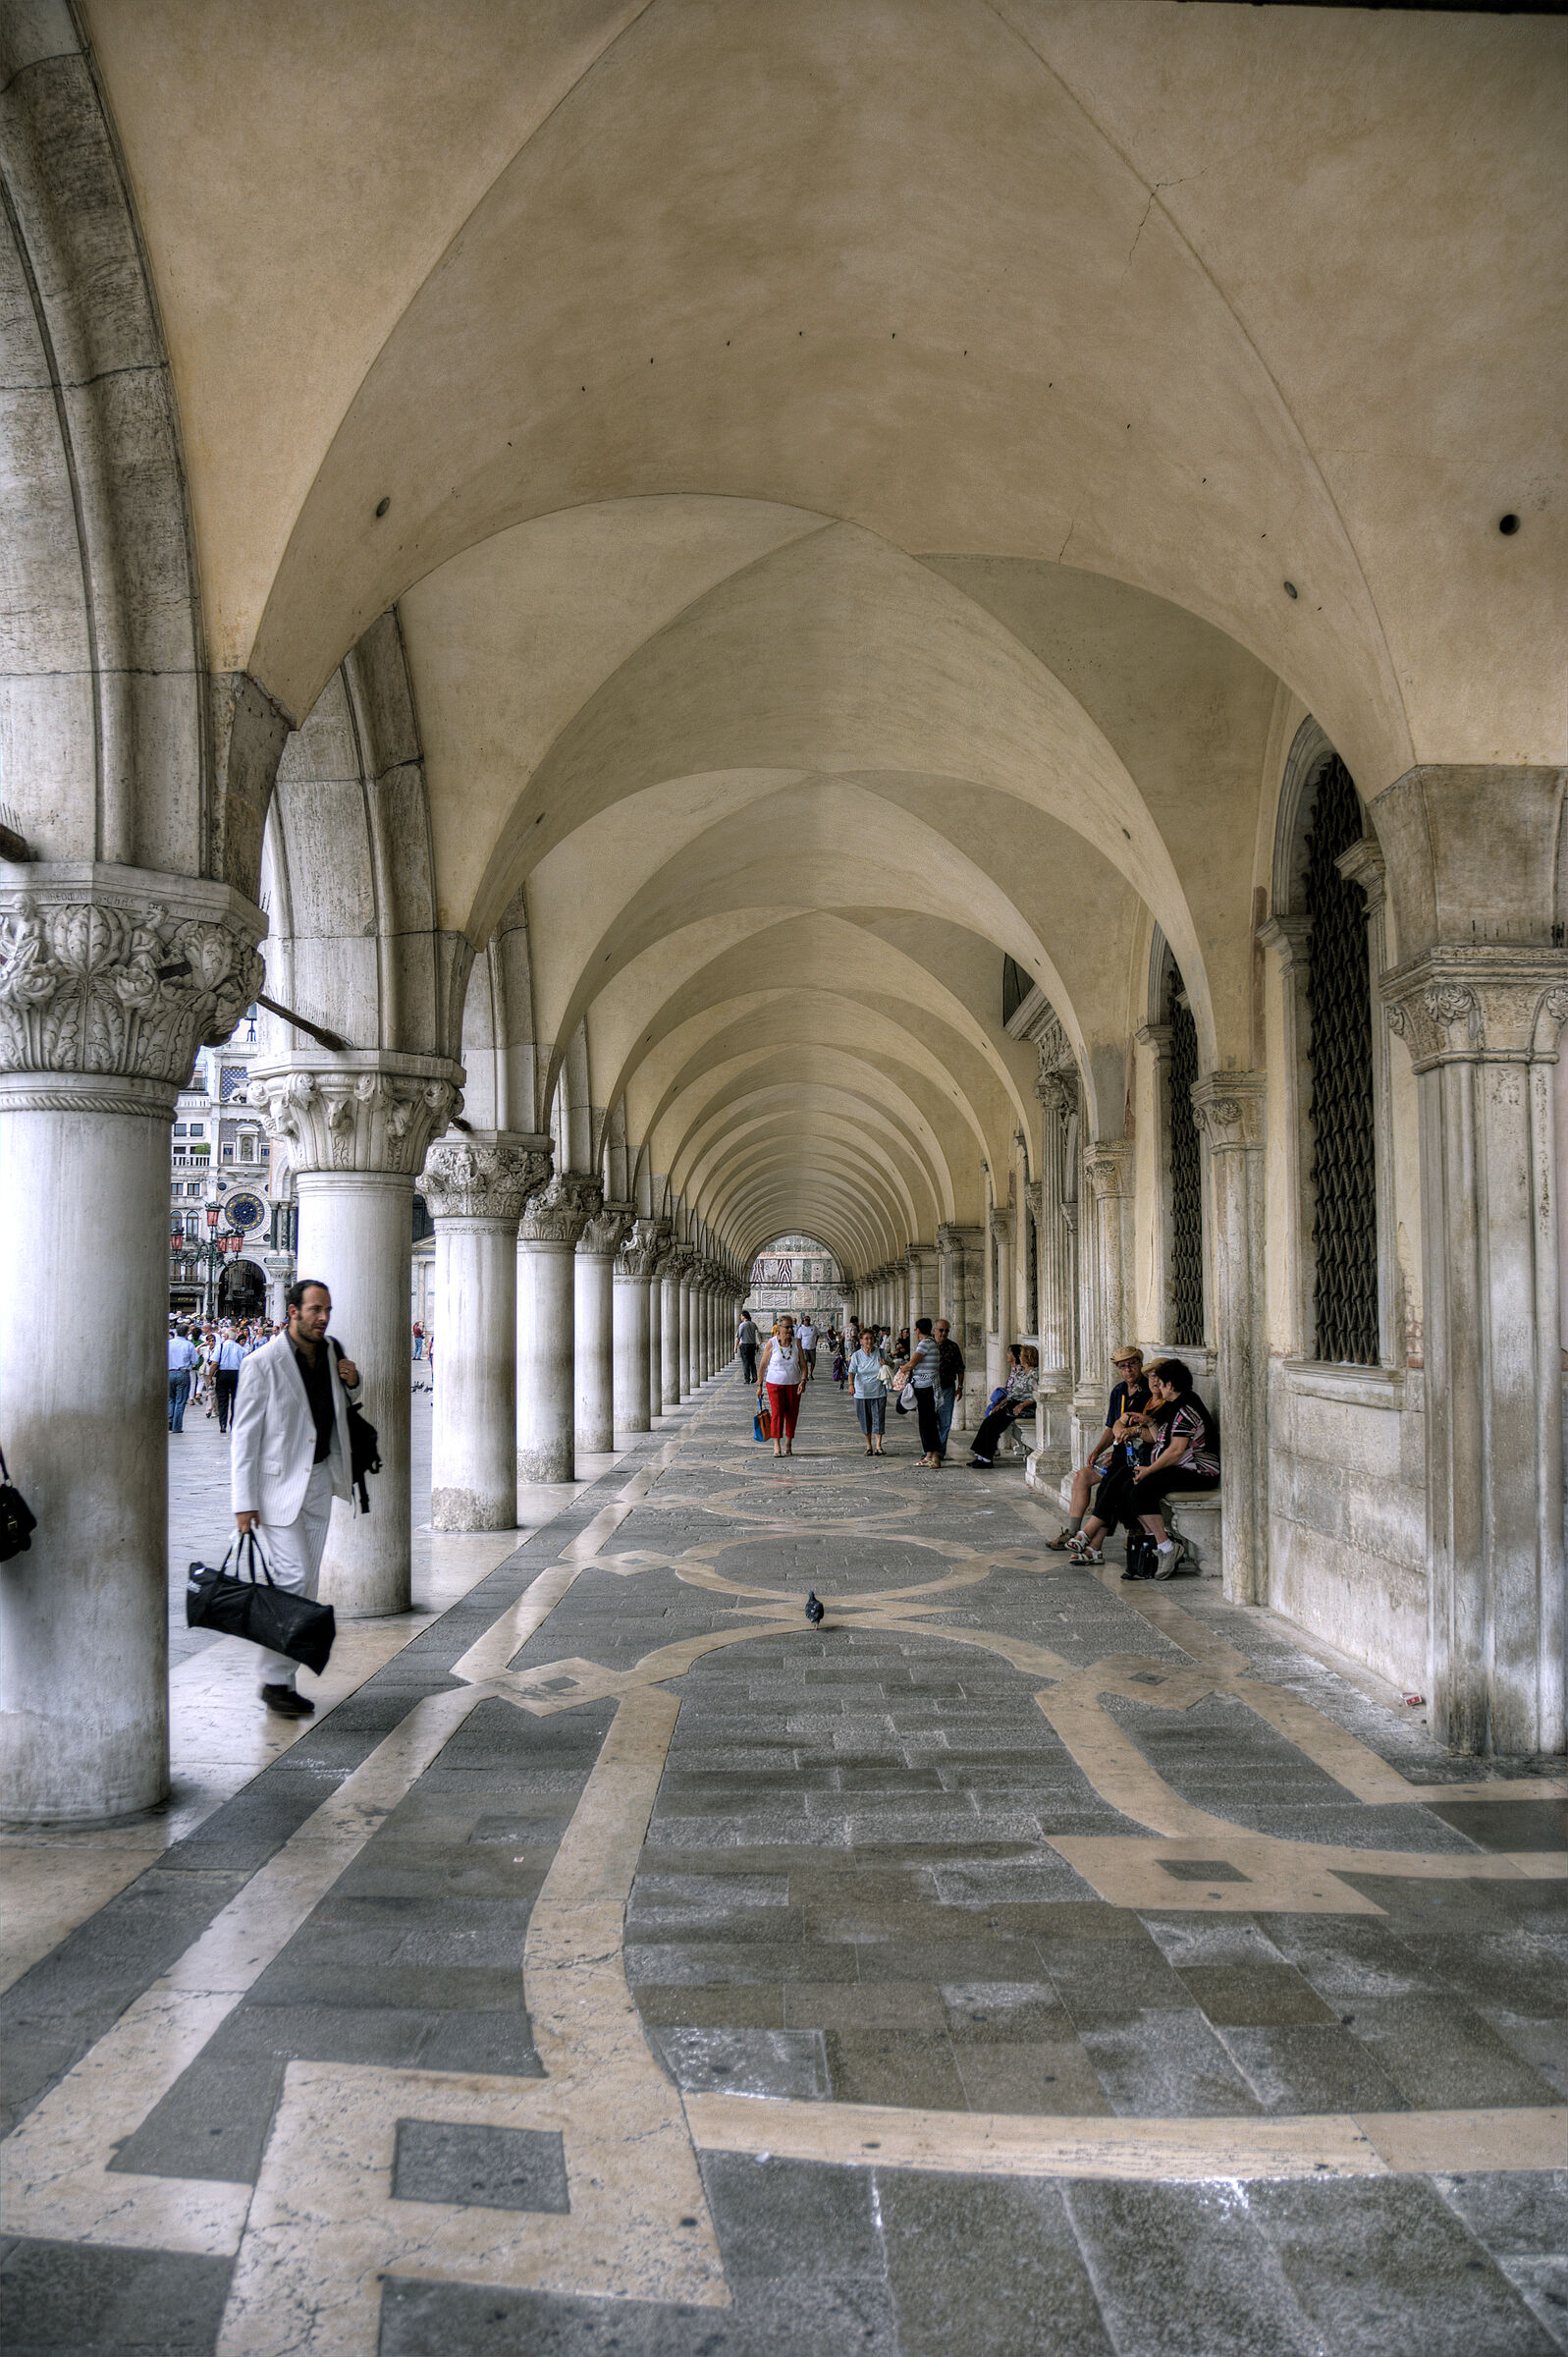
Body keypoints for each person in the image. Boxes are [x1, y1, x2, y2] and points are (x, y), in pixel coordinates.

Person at [230, 1279, 362, 1716]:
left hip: (320, 1480)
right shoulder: (261, 1362)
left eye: (327, 1310)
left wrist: (354, 1380)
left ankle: (279, 1679)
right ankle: (274, 1680)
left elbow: (340, 1406)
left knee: (304, 1583)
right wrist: (243, 1501)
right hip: (276, 1488)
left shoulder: (328, 1353)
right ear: (293, 1312)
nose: (324, 1317)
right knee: (290, 1581)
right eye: (315, 1310)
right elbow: (244, 1438)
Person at [1066, 1358, 1219, 1576]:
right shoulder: (1176, 1404)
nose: (1156, 1384)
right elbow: (1161, 1440)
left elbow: (1176, 1451)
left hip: (1198, 1471)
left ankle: (1166, 1547)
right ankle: (1156, 1545)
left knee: (1140, 1488)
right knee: (1128, 1487)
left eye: (1160, 1380)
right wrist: (1149, 1423)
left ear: (1170, 1384)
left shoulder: (1185, 1408)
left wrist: (1150, 1469)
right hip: (1180, 1466)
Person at [1047, 1346, 1151, 1549]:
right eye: (1123, 1366)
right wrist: (1097, 1451)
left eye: (1132, 1364)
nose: (1128, 1370)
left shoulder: (1148, 1391)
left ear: (1140, 1364)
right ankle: (1072, 1531)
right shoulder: (1119, 1391)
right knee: (1081, 1476)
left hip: (1136, 1458)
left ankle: (1110, 1537)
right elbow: (1112, 1427)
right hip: (1119, 1454)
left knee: (1111, 1485)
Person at [966, 1345, 1040, 1466]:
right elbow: (1012, 1393)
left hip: (1023, 1406)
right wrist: (1000, 1404)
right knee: (988, 1421)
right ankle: (980, 1456)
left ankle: (987, 1460)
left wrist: (1022, 1405)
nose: (1019, 1357)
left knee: (993, 1425)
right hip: (1012, 1403)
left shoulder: (1034, 1374)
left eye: (1021, 1355)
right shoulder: (1021, 1372)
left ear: (1027, 1357)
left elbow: (1036, 1395)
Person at [756, 1313, 806, 1457]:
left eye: (792, 1327)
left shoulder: (797, 1343)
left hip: (794, 1384)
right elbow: (763, 1366)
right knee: (777, 1414)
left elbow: (803, 1365)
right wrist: (759, 1386)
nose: (790, 1330)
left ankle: (788, 1443)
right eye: (787, 1327)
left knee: (792, 1414)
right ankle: (776, 1444)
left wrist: (803, 1380)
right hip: (774, 1384)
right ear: (779, 1327)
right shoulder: (772, 1343)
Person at [895, 1316, 943, 1467]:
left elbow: (913, 1362)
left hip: (925, 1387)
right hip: (926, 1385)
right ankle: (929, 1454)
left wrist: (903, 1369)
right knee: (925, 1422)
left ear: (918, 1330)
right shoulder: (932, 1343)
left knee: (928, 1422)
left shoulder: (924, 1344)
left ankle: (934, 1456)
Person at [848, 1331, 889, 1453]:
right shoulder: (856, 1355)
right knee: (864, 1419)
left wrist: (886, 1363)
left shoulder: (881, 1353)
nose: (869, 1341)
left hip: (878, 1391)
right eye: (866, 1339)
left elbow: (892, 1364)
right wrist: (851, 1385)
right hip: (862, 1392)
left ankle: (878, 1446)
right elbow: (851, 1371)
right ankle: (868, 1446)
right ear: (861, 1341)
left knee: (879, 1418)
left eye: (871, 1338)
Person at [934, 1318, 965, 1462]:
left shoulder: (952, 1346)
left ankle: (939, 1452)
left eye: (946, 1331)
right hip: (930, 1388)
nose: (944, 1333)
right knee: (929, 1421)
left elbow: (960, 1368)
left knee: (945, 1421)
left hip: (947, 1387)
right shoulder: (927, 1345)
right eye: (941, 1330)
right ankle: (928, 1450)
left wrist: (960, 1387)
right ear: (935, 1330)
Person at [212, 1324, 246, 1433]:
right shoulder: (240, 1349)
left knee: (222, 1400)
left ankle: (222, 1423)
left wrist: (210, 1376)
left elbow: (214, 1363)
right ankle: (233, 1423)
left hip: (223, 1374)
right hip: (236, 1374)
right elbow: (245, 1365)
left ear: (226, 1336)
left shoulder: (220, 1347)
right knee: (236, 1400)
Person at [167, 1325, 198, 1433]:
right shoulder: (188, 1345)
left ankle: (169, 1422)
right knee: (180, 1401)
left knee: (171, 1399)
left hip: (169, 1372)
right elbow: (195, 1361)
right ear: (186, 1333)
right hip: (182, 1373)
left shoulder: (169, 1343)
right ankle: (177, 1426)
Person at [736, 1308, 760, 1385]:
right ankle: (754, 1376)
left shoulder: (742, 1325)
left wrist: (735, 1347)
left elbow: (738, 1336)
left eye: (741, 1315)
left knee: (745, 1362)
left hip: (745, 1345)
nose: (740, 1317)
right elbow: (757, 1333)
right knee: (752, 1362)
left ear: (743, 1316)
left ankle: (747, 1379)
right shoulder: (753, 1324)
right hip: (752, 1345)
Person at [797, 1314, 818, 1380]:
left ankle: (810, 1373)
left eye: (808, 1320)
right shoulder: (801, 1328)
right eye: (806, 1320)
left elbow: (817, 1335)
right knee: (804, 1361)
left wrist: (816, 1342)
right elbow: (799, 1338)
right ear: (803, 1321)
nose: (807, 1321)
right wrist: (799, 1347)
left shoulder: (814, 1327)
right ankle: (805, 1374)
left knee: (813, 1362)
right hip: (804, 1348)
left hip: (812, 1347)